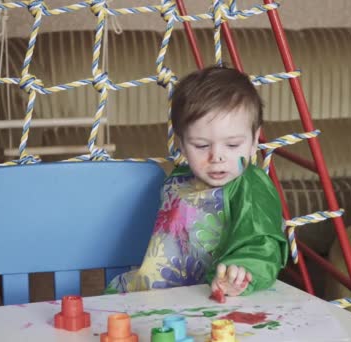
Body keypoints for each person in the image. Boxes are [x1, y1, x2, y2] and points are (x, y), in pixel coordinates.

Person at [105, 65, 288, 298]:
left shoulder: (250, 187)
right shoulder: (180, 178)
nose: (217, 157)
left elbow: (262, 242)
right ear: (181, 143)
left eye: (233, 145)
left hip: (210, 298)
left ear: (253, 140)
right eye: (201, 146)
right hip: (156, 291)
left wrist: (239, 272)